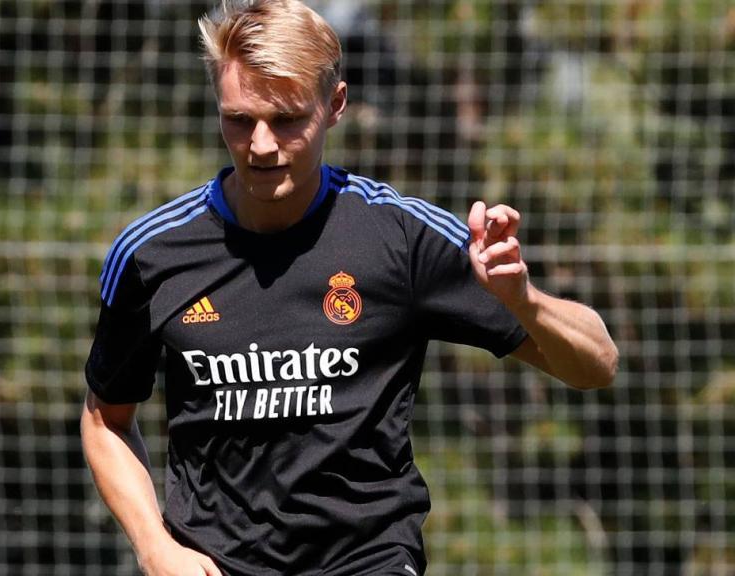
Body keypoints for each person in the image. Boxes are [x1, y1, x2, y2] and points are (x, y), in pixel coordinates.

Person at [81, 1, 619, 574]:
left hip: (368, 562)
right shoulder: (152, 253)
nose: (261, 145)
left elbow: (596, 363)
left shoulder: (398, 237)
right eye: (239, 119)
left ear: (334, 105)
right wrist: (155, 547)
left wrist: (524, 301)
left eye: (287, 119)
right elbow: (104, 420)